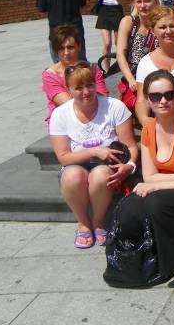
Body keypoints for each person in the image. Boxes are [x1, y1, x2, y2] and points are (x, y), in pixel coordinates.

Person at [113, 71, 174, 290]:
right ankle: (150, 256)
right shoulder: (149, 129)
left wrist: (159, 184)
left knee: (156, 200)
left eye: (169, 94)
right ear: (147, 100)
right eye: (156, 96)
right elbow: (149, 176)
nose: (163, 101)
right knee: (129, 207)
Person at [49, 63, 138, 249]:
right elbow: (63, 157)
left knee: (100, 175)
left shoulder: (114, 106)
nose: (86, 92)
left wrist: (129, 166)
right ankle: (83, 222)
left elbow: (130, 145)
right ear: (69, 90)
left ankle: (98, 221)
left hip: (108, 166)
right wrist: (94, 151)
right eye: (78, 88)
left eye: (89, 85)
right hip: (75, 164)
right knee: (72, 176)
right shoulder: (60, 114)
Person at [42, 25, 108, 125]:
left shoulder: (93, 69)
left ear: (79, 46)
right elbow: (70, 104)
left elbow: (104, 99)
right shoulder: (50, 76)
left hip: (96, 117)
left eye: (70, 47)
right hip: (64, 122)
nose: (66, 53)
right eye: (61, 48)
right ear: (56, 50)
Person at [115, 0, 160, 112]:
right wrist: (130, 79)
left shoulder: (162, 22)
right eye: (139, 1)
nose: (143, 5)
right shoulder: (128, 22)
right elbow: (120, 54)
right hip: (134, 75)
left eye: (147, 1)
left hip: (157, 75)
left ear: (155, 2)